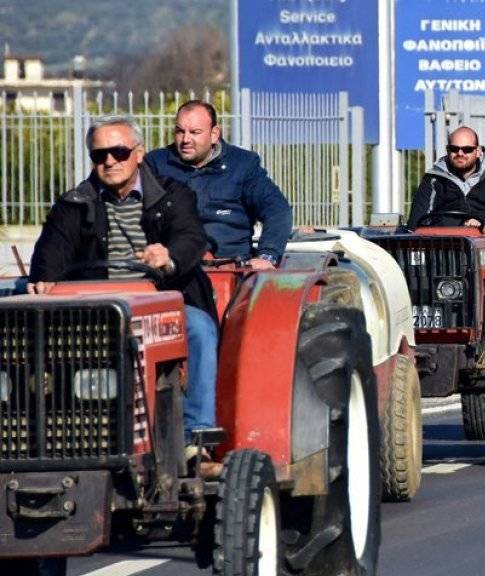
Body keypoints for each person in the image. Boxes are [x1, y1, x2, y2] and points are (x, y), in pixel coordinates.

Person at [28, 115, 220, 452]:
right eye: (99, 155)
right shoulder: (73, 204)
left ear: (139, 152)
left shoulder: (174, 196)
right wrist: (43, 278)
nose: (110, 161)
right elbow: (51, 251)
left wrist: (168, 256)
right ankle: (42, 433)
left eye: (118, 151)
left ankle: (195, 437)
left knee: (200, 328)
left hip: (159, 302)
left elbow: (191, 238)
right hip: (94, 309)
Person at [145, 100, 292, 270]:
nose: (186, 139)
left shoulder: (243, 165)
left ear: (214, 134)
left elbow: (277, 209)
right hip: (171, 268)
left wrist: (267, 256)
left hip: (229, 268)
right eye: (180, 131)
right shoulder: (156, 164)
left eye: (195, 132)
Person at [407, 126, 485, 330]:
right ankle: (417, 321)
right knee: (411, 262)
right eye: (454, 148)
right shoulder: (433, 179)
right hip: (442, 245)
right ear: (448, 150)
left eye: (467, 149)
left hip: (484, 245)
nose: (460, 153)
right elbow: (417, 221)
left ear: (478, 151)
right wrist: (450, 226)